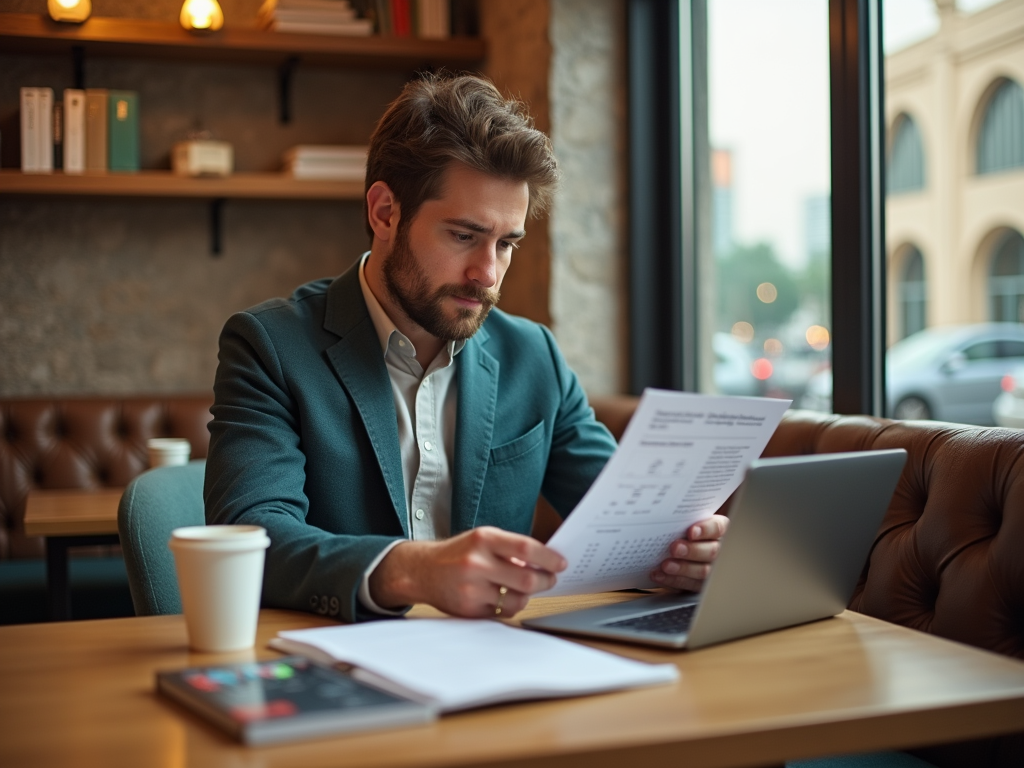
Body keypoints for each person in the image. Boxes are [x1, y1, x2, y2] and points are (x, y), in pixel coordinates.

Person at [204, 73, 727, 623]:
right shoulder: (271, 346)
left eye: (507, 244)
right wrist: (411, 570)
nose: (487, 273)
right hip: (338, 665)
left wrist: (686, 548)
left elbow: (625, 519)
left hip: (499, 667)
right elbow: (251, 537)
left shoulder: (534, 358)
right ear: (385, 213)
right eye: (463, 235)